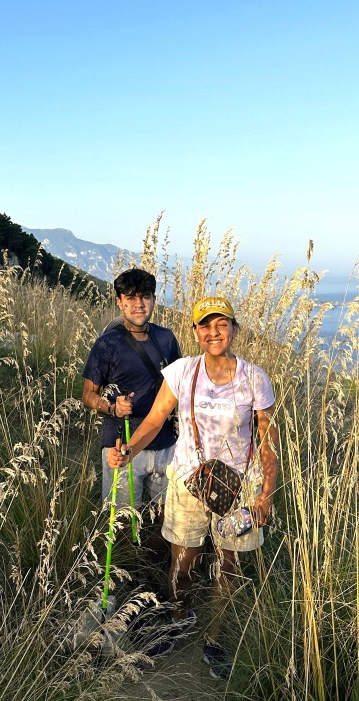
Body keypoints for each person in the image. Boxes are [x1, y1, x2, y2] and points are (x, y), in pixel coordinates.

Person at [107, 296, 279, 678]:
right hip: (188, 482)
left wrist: (266, 492)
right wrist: (129, 450)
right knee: (181, 564)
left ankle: (215, 639)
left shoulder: (255, 378)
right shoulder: (182, 371)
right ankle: (179, 618)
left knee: (228, 568)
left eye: (222, 325)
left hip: (241, 490)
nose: (213, 332)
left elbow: (268, 441)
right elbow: (154, 420)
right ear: (195, 332)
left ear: (235, 329)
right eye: (205, 325)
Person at [82, 268, 182, 581]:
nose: (139, 304)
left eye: (145, 297)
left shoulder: (166, 339)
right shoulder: (106, 345)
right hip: (122, 446)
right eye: (131, 298)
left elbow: (178, 385)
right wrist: (111, 406)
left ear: (153, 300)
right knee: (122, 520)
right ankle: (121, 579)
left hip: (166, 445)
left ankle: (146, 576)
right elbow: (88, 394)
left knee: (162, 518)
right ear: (120, 303)